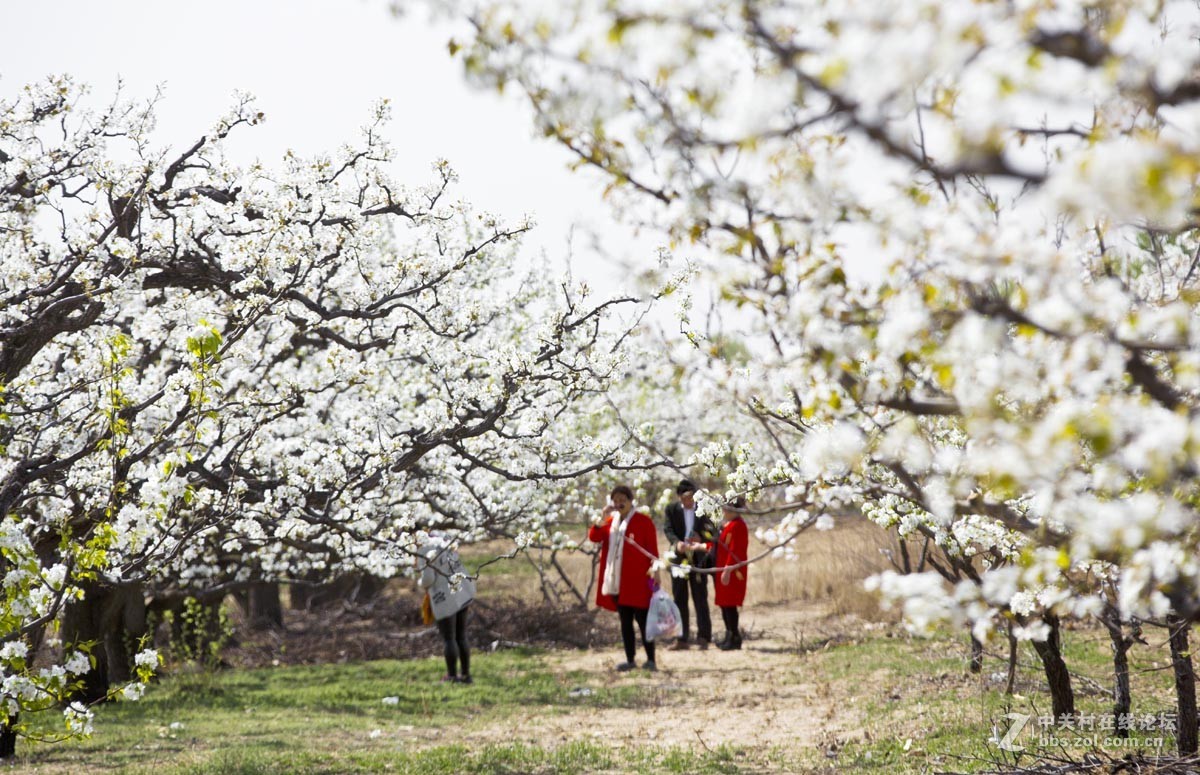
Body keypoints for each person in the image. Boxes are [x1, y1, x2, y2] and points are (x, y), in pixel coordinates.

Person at [588, 485, 660, 671]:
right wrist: (602, 518)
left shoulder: (643, 521)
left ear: (630, 501)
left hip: (638, 581)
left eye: (623, 500)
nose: (619, 503)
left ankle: (651, 659)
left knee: (643, 622)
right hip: (617, 581)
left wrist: (656, 572)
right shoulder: (611, 522)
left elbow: (653, 550)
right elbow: (594, 537)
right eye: (616, 500)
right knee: (625, 622)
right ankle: (630, 659)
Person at [662, 479, 715, 650]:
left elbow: (712, 530)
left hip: (699, 558)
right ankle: (681, 638)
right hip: (679, 559)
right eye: (685, 497)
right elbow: (668, 529)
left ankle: (704, 637)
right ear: (679, 497)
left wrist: (701, 538)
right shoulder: (671, 509)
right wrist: (677, 543)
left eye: (692, 497)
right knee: (679, 599)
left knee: (700, 597)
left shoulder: (703, 509)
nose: (689, 501)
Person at [418, 534, 477, 683]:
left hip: (443, 596)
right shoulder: (443, 538)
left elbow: (428, 579)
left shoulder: (424, 549)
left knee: (449, 638)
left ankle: (451, 676)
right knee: (461, 635)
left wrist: (420, 582)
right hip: (462, 589)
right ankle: (465, 675)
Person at [713, 496, 749, 650]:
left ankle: (735, 637)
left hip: (733, 571)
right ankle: (729, 635)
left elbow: (736, 550)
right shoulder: (728, 525)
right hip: (722, 568)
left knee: (730, 605)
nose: (723, 511)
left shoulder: (738, 526)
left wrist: (728, 569)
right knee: (724, 604)